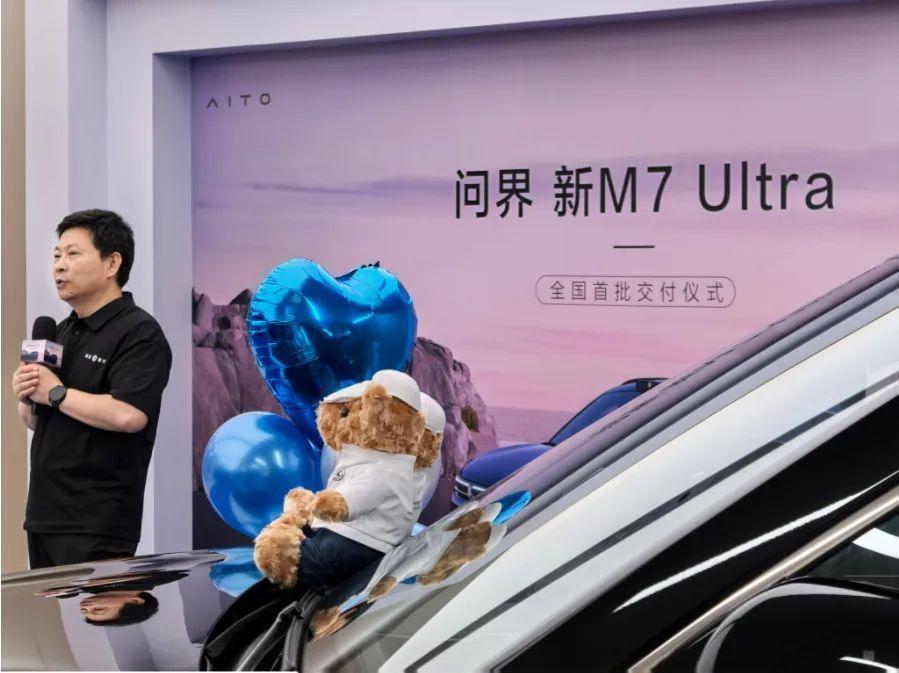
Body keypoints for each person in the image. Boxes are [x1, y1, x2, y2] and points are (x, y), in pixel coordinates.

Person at [10, 209, 172, 569]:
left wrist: (56, 393)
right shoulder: (61, 330)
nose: (59, 266)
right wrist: (27, 394)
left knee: (94, 610)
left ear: (112, 263)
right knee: (50, 610)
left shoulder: (139, 332)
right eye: (56, 255)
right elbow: (40, 421)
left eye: (73, 254)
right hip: (44, 516)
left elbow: (129, 415)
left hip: (97, 522)